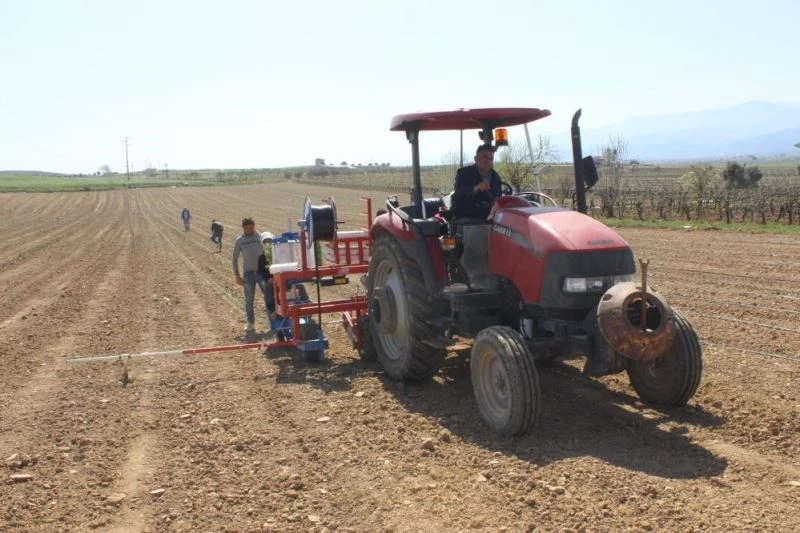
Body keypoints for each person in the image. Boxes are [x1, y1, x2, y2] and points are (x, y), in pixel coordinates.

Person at [232, 218, 272, 341]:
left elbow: (270, 253)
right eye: (246, 228)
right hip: (248, 274)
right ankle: (251, 324)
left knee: (269, 297)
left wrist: (271, 273)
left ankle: (273, 323)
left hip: (262, 272)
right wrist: (237, 276)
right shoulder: (240, 241)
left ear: (254, 226)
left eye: (251, 227)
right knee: (249, 299)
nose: (249, 230)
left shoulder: (260, 238)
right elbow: (234, 259)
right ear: (243, 228)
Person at [450, 144, 502, 220]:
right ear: (476, 158)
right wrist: (476, 188)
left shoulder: (496, 177)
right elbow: (459, 191)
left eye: (491, 158)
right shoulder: (464, 173)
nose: (488, 161)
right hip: (466, 217)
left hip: (488, 217)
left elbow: (498, 198)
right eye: (485, 157)